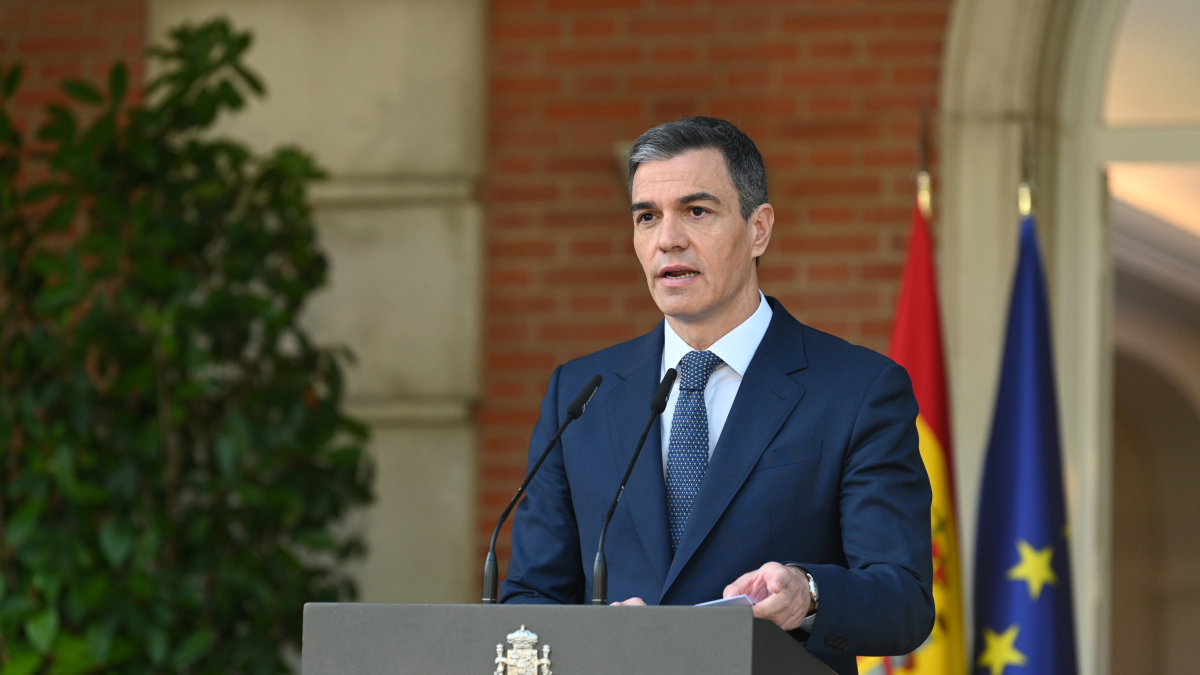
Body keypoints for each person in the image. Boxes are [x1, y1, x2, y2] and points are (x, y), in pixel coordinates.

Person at [500, 117, 934, 675]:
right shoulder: (582, 394)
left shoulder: (858, 390)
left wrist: (807, 594)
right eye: (647, 217)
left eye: (696, 211)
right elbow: (529, 598)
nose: (668, 239)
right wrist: (595, 637)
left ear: (759, 230)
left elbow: (903, 601)